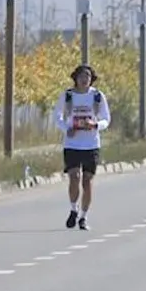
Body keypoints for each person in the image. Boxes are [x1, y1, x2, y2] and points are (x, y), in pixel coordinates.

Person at [56, 65, 110, 230]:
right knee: (74, 177)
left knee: (87, 181)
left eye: (87, 76)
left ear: (91, 78)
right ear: (75, 78)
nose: (84, 79)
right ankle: (73, 209)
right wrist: (67, 128)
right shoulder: (68, 96)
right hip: (72, 144)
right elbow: (57, 115)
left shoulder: (97, 96)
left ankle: (84, 217)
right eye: (81, 76)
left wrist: (95, 125)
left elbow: (106, 119)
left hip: (91, 144)